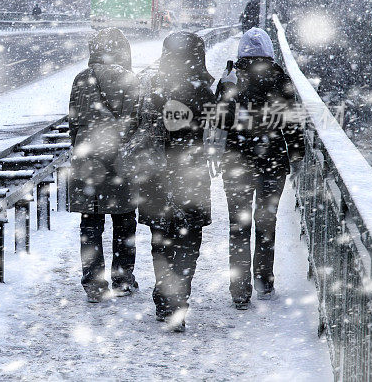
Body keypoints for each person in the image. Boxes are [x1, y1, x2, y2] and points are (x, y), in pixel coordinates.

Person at [130, 31, 216, 331]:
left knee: (161, 240)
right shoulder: (204, 90)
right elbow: (213, 130)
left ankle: (165, 297)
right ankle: (178, 299)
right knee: (189, 239)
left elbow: (136, 125)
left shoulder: (152, 85)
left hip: (156, 175)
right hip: (190, 177)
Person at [216, 27, 304, 309]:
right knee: (266, 223)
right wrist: (298, 152)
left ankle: (239, 291)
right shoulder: (281, 79)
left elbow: (220, 122)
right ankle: (264, 282)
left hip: (236, 162)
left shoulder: (230, 79)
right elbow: (292, 123)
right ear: (269, 51)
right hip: (273, 161)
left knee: (238, 226)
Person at [68, 28, 139, 303]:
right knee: (124, 222)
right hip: (121, 159)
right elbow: (137, 122)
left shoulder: (82, 79)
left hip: (88, 159)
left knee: (90, 222)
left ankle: (94, 285)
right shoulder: (131, 80)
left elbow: (74, 122)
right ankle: (123, 279)